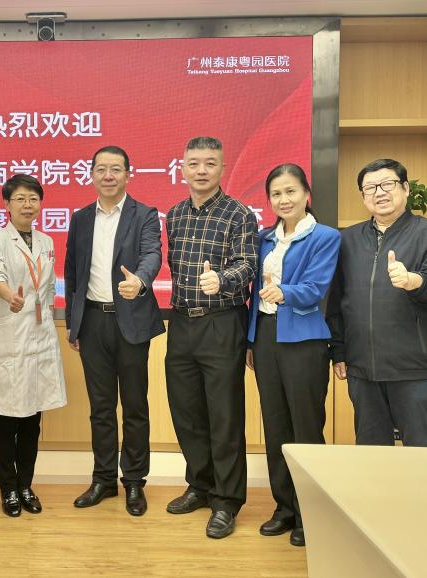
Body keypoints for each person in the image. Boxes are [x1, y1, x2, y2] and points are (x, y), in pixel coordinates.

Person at [327, 158, 427, 448]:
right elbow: (336, 301)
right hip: (362, 369)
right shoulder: (347, 239)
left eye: (387, 184)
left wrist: (414, 281)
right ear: (363, 196)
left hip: (415, 368)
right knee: (372, 453)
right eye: (370, 188)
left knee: (421, 452)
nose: (379, 192)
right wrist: (339, 350)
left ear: (406, 188)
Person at [164, 137, 257, 539]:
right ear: (183, 168)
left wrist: (222, 279)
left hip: (221, 321)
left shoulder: (239, 213)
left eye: (210, 163)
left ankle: (226, 501)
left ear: (222, 168)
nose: (201, 170)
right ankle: (199, 485)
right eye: (194, 163)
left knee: (224, 415)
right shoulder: (174, 215)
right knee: (187, 412)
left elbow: (248, 263)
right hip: (182, 323)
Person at [64, 145, 164, 517]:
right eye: (101, 169)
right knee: (101, 408)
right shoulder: (80, 218)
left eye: (116, 169)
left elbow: (152, 254)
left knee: (135, 406)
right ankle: (103, 479)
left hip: (131, 321)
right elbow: (72, 273)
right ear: (92, 174)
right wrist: (73, 323)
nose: (108, 176)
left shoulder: (145, 214)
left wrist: (140, 280)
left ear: (128, 174)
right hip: (92, 322)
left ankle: (134, 481)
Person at [246, 164, 339, 547]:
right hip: (266, 337)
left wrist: (285, 292)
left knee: (306, 429)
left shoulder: (326, 237)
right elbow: (254, 292)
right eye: (276, 194)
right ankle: (284, 507)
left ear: (306, 194)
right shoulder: (263, 238)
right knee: (276, 427)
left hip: (304, 340)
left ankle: (309, 513)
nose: (284, 200)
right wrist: (251, 340)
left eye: (291, 191)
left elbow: (316, 287)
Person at [0, 174, 67, 517]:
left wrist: (49, 314)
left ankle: (26, 485)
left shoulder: (46, 240)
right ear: (6, 204)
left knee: (33, 418)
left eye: (33, 198)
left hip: (40, 334)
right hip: (9, 333)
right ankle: (8, 489)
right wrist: (8, 296)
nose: (27, 205)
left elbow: (47, 287)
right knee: (7, 420)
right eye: (20, 199)